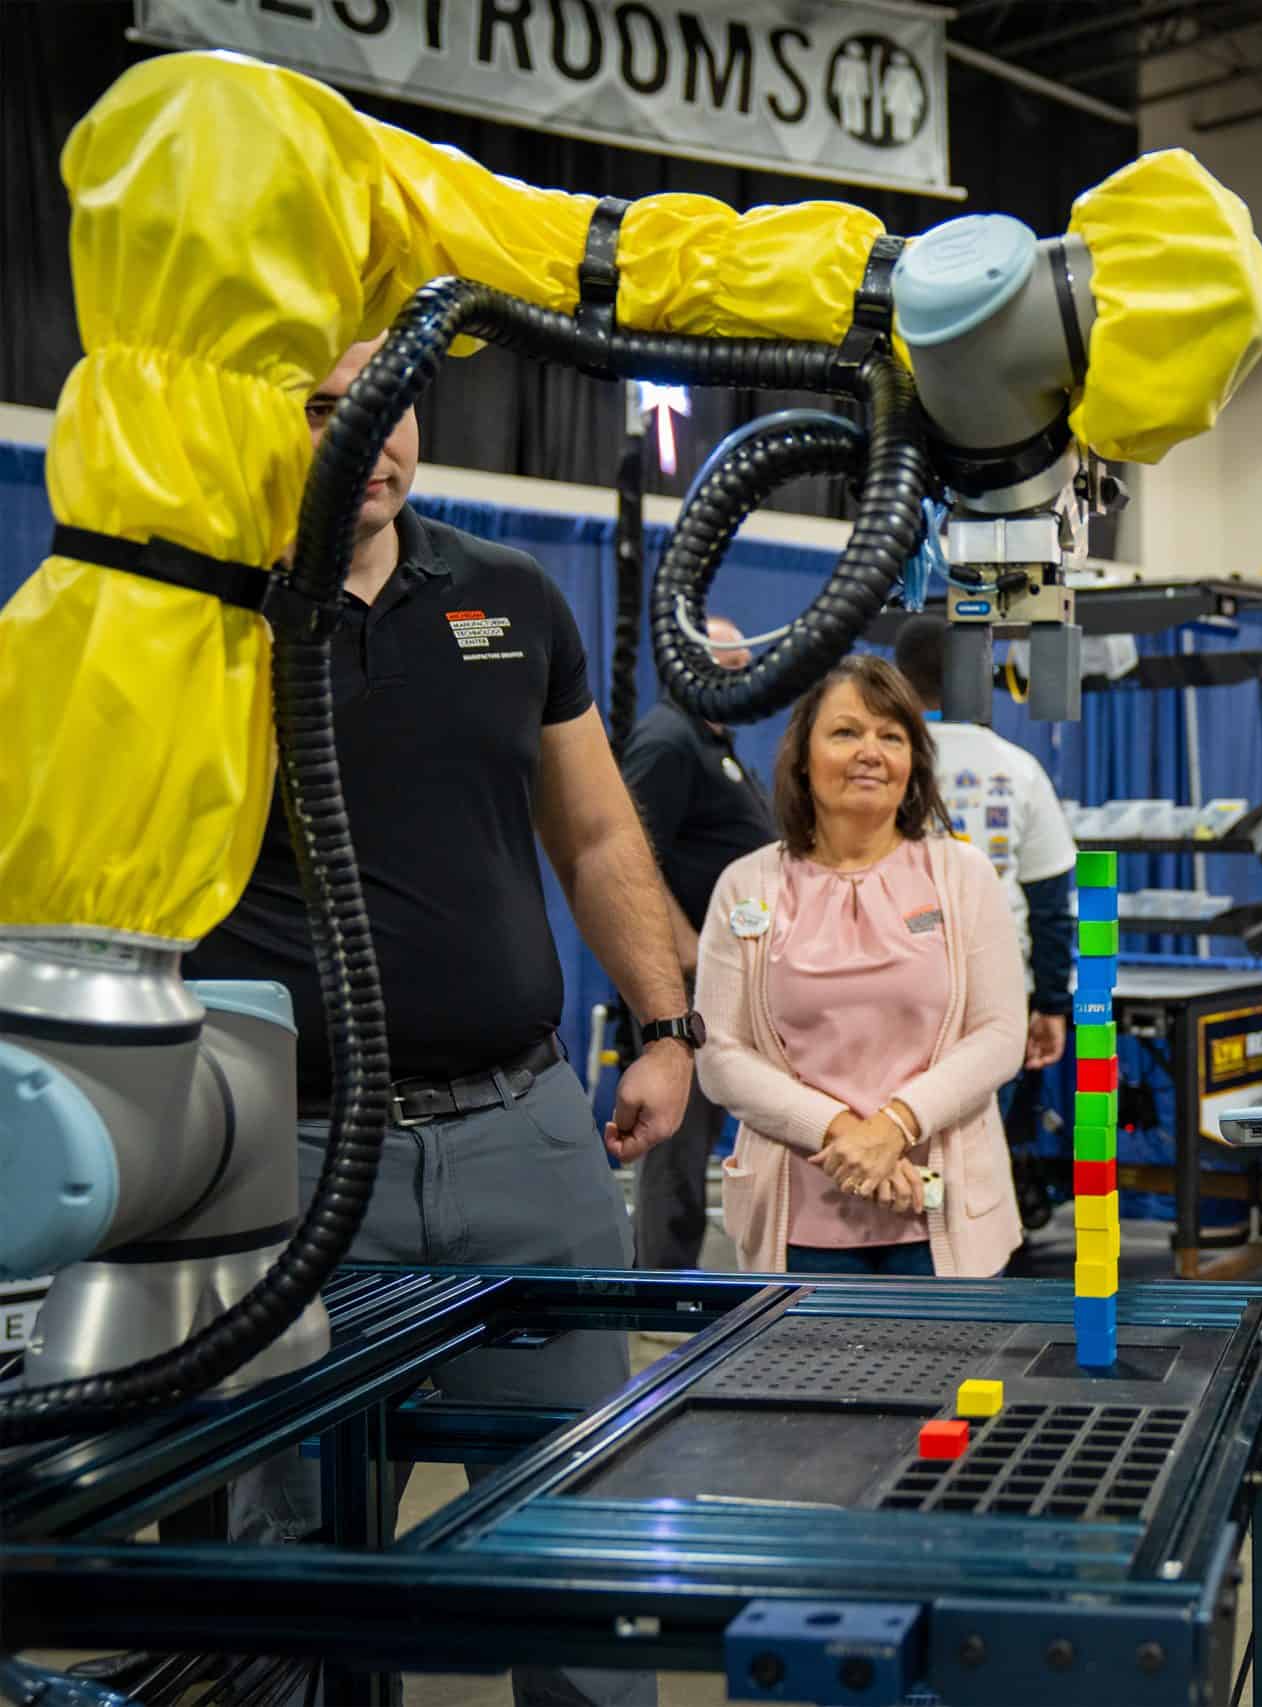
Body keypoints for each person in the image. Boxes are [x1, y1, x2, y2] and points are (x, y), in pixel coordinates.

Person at [186, 337, 691, 1707]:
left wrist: (666, 1022)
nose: (372, 435)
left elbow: (591, 830)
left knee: (581, 1546)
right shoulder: (190, 609)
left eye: (390, 402)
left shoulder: (510, 595)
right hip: (285, 1165)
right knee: (293, 1585)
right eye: (327, 404)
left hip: (526, 1139)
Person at [695, 657, 1026, 1278]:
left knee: (950, 1378)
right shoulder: (747, 884)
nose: (870, 752)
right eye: (846, 732)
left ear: (914, 764)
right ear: (802, 757)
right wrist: (845, 1133)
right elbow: (720, 1054)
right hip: (795, 1228)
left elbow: (1000, 1034)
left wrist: (897, 1125)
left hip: (940, 1217)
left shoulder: (962, 876)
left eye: (891, 736)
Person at [889, 618, 1077, 1207]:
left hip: (890, 994)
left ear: (896, 679)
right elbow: (1049, 906)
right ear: (980, 677)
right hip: (991, 1000)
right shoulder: (1018, 769)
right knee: (973, 1159)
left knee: (889, 1158)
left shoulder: (876, 765)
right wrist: (1050, 1004)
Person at [618, 616, 775, 1269]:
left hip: (724, 971)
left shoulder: (714, 742)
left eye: (744, 670)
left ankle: (675, 1274)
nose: (740, 682)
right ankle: (658, 1285)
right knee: (676, 1135)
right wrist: (681, 948)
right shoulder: (666, 743)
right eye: (730, 669)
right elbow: (627, 861)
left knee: (703, 1128)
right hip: (682, 978)